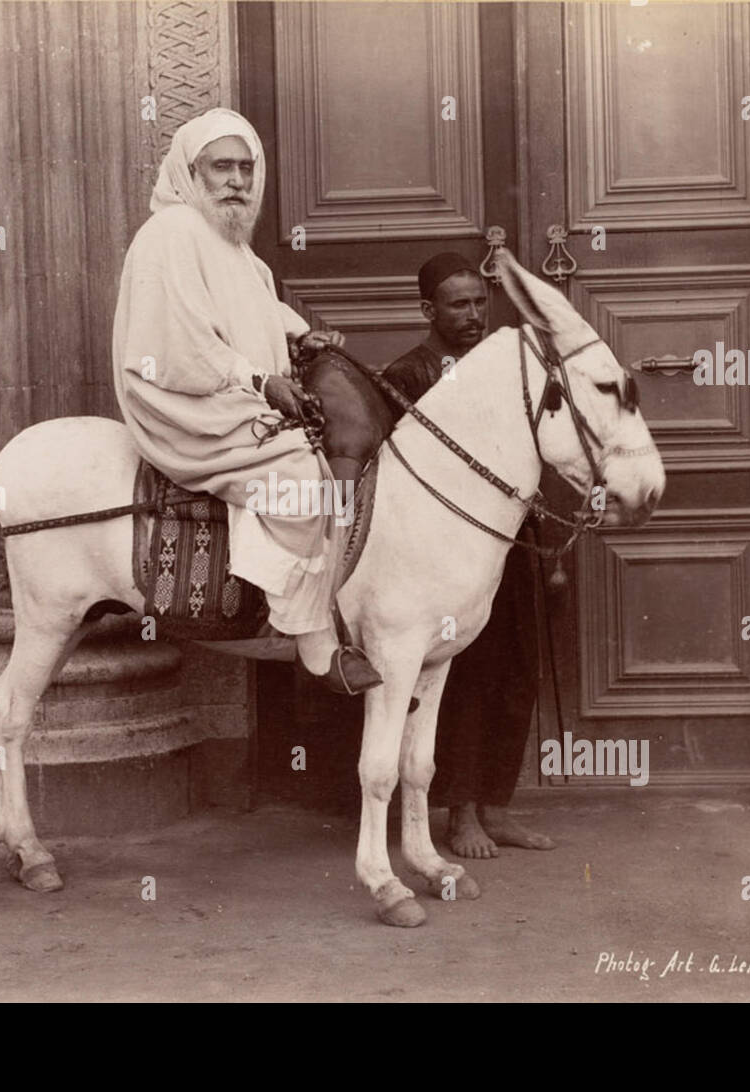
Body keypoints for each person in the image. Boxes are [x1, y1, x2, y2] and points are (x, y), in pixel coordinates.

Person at [112, 108, 381, 696]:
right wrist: (262, 383)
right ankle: (311, 641)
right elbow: (178, 345)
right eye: (220, 167)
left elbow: (255, 313)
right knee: (298, 479)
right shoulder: (171, 233)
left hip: (234, 391)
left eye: (244, 167)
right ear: (191, 171)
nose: (236, 179)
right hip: (183, 402)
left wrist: (298, 335)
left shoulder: (233, 244)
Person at [380, 253, 555, 858]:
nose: (474, 315)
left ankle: (498, 806)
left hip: (511, 543)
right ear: (429, 310)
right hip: (442, 561)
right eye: (459, 304)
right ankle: (459, 815)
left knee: (516, 669)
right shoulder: (406, 375)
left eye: (481, 302)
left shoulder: (506, 370)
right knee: (462, 680)